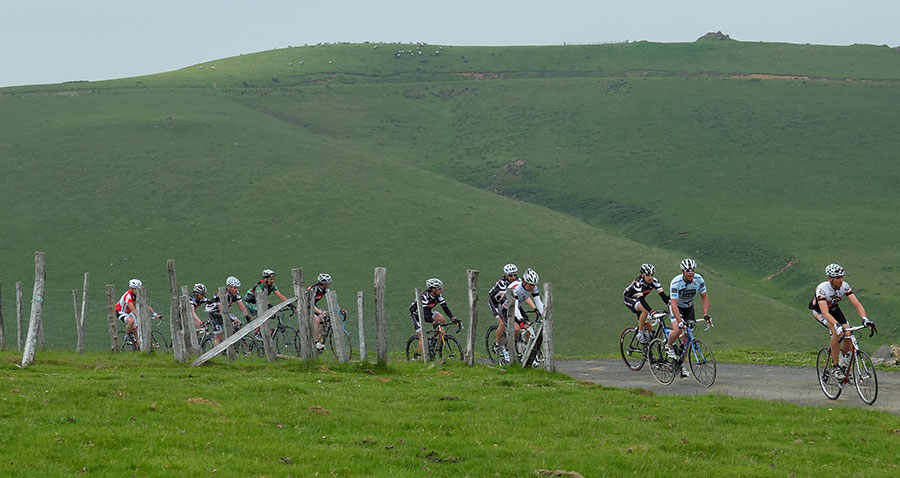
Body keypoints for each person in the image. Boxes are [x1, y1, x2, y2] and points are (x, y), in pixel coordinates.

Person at [809, 263, 876, 380]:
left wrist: (865, 319)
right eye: (838, 278)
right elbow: (825, 313)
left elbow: (857, 304)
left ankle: (843, 363)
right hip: (820, 311)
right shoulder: (822, 288)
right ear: (830, 278)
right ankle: (835, 366)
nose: (841, 280)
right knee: (836, 331)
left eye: (842, 277)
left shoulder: (844, 286)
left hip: (834, 310)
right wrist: (836, 325)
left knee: (848, 332)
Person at [666, 259, 711, 377]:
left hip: (689, 307)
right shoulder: (676, 282)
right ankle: (668, 345)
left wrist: (705, 314)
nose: (691, 273)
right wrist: (680, 321)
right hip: (676, 307)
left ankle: (680, 364)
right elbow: (674, 303)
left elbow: (704, 297)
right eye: (688, 271)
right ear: (682, 271)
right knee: (679, 329)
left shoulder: (699, 279)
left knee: (688, 336)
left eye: (693, 271)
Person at [499, 268, 545, 363]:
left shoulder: (533, 288)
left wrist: (544, 314)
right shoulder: (516, 288)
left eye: (534, 285)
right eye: (531, 285)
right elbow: (514, 307)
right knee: (516, 329)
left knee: (529, 329)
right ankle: (506, 351)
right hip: (506, 308)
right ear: (524, 282)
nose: (533, 287)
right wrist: (521, 320)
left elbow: (538, 302)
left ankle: (526, 353)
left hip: (517, 307)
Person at [409, 278, 459, 356]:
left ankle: (433, 341)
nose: (441, 290)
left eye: (441, 288)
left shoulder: (438, 295)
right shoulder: (425, 296)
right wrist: (433, 322)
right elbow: (425, 313)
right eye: (439, 288)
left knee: (442, 319)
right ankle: (424, 358)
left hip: (427, 311)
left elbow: (445, 307)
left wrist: (452, 318)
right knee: (422, 336)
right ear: (433, 289)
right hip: (416, 315)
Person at [623, 263, 670, 344]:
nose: (650, 277)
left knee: (649, 327)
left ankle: (646, 349)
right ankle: (640, 333)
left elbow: (663, 296)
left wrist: (670, 303)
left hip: (639, 300)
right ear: (642, 275)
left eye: (652, 275)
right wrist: (651, 311)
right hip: (630, 299)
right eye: (648, 275)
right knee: (645, 310)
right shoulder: (637, 283)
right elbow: (642, 300)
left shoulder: (654, 281)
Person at [244, 269, 294, 338]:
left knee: (265, 311)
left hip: (260, 301)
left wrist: (291, 305)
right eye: (270, 279)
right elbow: (263, 301)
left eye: (273, 279)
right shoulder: (259, 286)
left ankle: (256, 324)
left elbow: (280, 296)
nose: (272, 281)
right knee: (263, 312)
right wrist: (272, 308)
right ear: (265, 279)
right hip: (250, 301)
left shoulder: (272, 285)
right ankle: (256, 331)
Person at [204, 276, 253, 345]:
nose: (237, 290)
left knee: (237, 324)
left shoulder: (236, 293)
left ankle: (231, 342)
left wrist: (247, 316)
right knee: (219, 334)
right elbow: (222, 310)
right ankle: (217, 353)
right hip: (214, 313)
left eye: (237, 288)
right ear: (229, 287)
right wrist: (231, 319)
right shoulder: (222, 294)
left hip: (224, 311)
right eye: (235, 288)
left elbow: (241, 305)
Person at [114, 278, 162, 347]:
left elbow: (146, 305)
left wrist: (155, 315)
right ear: (132, 289)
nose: (138, 291)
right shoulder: (128, 296)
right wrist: (142, 317)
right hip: (120, 311)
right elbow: (133, 310)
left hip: (129, 311)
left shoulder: (138, 294)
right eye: (137, 289)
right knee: (131, 321)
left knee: (137, 328)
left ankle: (138, 345)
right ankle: (126, 336)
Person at [488, 263, 518, 356]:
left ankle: (509, 344)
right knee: (502, 323)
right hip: (495, 304)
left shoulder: (518, 281)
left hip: (507, 304)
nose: (513, 277)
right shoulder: (501, 283)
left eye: (515, 275)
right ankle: (497, 344)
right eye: (510, 275)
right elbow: (503, 296)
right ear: (506, 275)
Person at [308, 273, 343, 351]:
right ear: (324, 284)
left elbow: (332, 301)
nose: (328, 285)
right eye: (328, 284)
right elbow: (309, 304)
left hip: (313, 305)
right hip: (305, 305)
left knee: (323, 320)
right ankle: (315, 341)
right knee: (317, 320)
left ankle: (318, 337)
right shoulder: (314, 289)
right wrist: (320, 312)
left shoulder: (326, 290)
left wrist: (339, 310)